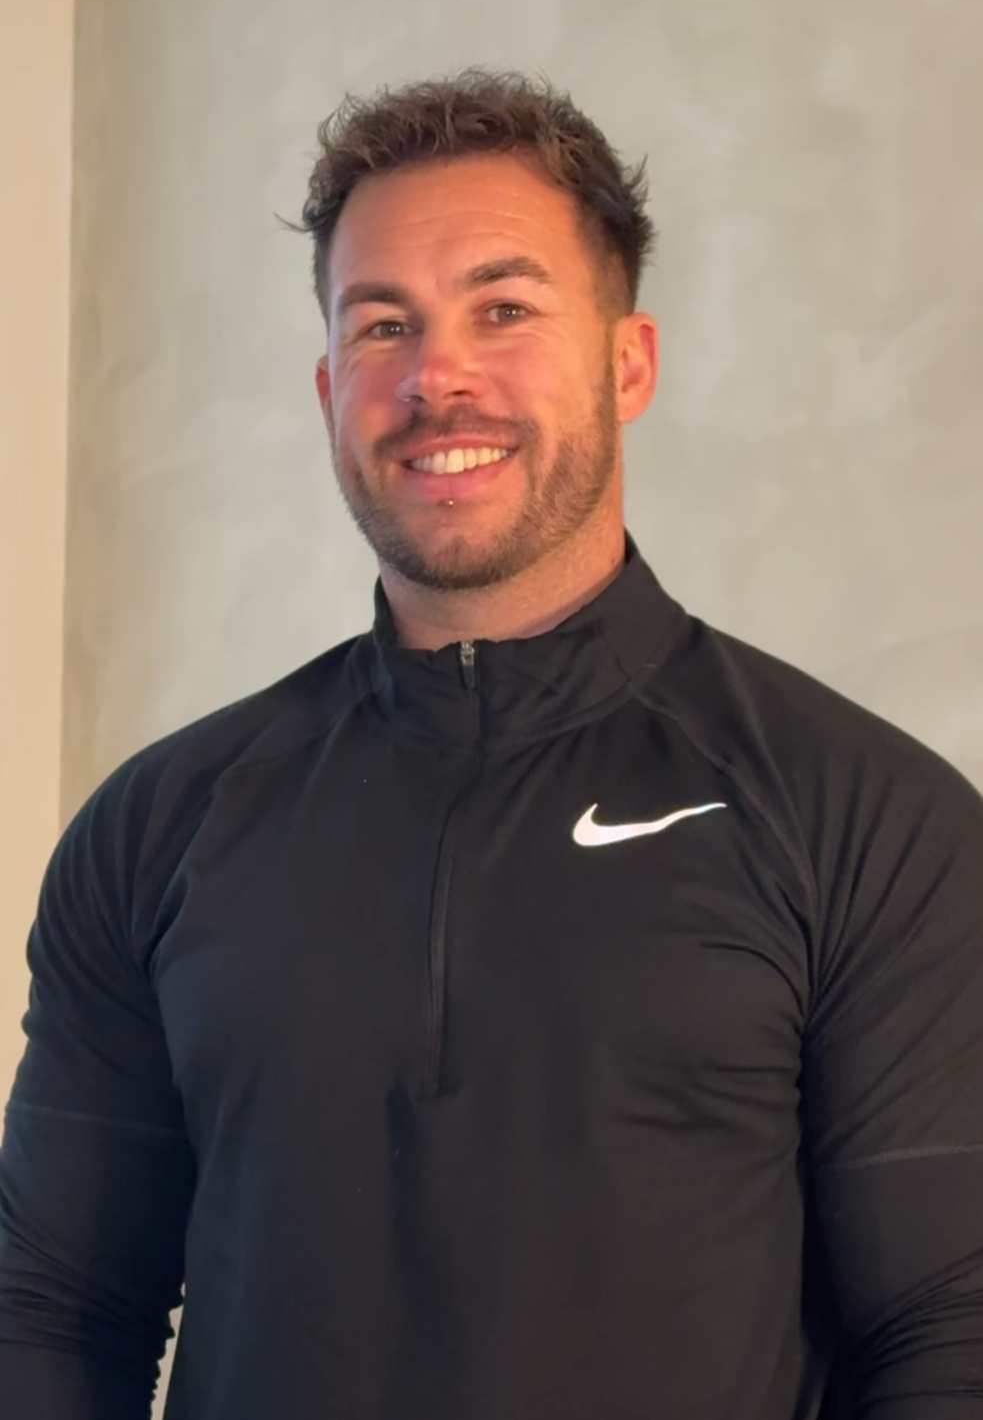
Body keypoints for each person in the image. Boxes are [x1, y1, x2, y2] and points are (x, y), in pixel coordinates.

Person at [1, 68, 982, 1420]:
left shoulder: (865, 817)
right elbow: (54, 1308)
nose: (435, 376)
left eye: (502, 309)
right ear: (329, 384)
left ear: (624, 361)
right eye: (382, 324)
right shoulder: (157, 826)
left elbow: (949, 1328)